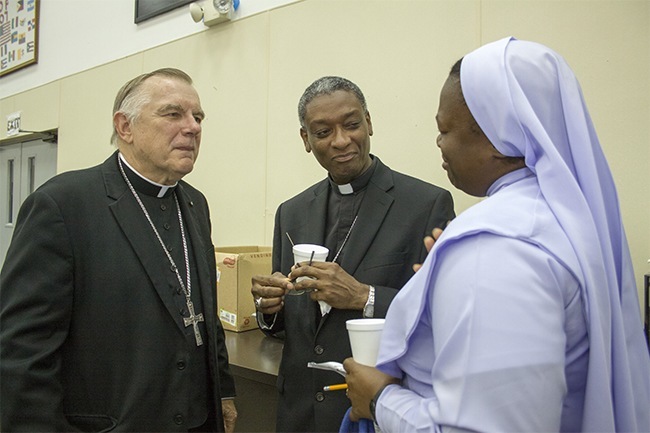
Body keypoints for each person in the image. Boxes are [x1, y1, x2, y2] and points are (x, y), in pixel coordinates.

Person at [343, 37, 650, 432]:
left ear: (496, 136)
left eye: (445, 129)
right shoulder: (565, 217)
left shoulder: (495, 245)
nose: (439, 141)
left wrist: (381, 399)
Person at [0, 68, 238, 432]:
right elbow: (21, 352)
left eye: (198, 117)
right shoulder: (62, 204)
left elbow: (201, 312)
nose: (192, 127)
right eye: (173, 114)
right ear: (125, 127)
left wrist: (222, 391)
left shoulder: (194, 203)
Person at [251, 76, 455, 432]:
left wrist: (364, 296)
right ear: (306, 139)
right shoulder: (292, 212)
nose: (341, 140)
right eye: (323, 131)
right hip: (299, 413)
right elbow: (291, 327)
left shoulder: (426, 204)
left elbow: (446, 315)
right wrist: (270, 309)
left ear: (369, 122)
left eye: (351, 124)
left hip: (375, 413)